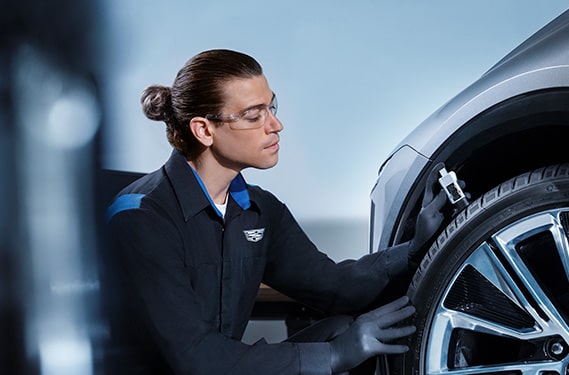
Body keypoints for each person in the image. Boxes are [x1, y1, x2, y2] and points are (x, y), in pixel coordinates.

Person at [105, 49, 449, 374]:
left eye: (272, 107)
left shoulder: (258, 210)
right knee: (336, 347)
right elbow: (197, 358)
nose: (276, 125)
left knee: (344, 330)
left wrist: (415, 248)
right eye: (255, 116)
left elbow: (333, 286)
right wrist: (335, 354)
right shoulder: (141, 218)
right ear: (204, 130)